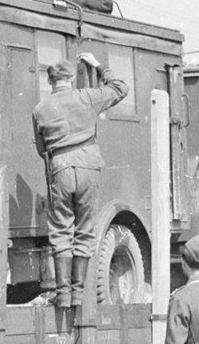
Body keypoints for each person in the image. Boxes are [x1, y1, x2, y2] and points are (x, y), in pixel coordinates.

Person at [31, 53, 128, 308]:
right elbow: (120, 88)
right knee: (85, 229)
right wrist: (98, 66)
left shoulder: (40, 109)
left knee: (61, 228)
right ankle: (77, 294)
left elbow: (41, 149)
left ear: (50, 82)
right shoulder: (86, 97)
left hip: (59, 168)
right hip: (89, 165)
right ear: (71, 78)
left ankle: (62, 294)